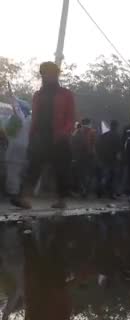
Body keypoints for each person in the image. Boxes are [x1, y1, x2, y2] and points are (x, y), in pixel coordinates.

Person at [12, 62, 75, 210]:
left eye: (51, 73)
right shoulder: (37, 95)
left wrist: (64, 133)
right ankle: (25, 198)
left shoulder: (66, 94)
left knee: (61, 170)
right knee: (33, 168)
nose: (47, 76)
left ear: (56, 74)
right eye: (44, 73)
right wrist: (32, 135)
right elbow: (35, 118)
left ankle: (61, 200)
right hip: (40, 137)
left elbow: (70, 117)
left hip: (59, 138)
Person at [96, 120, 122, 199]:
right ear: (116, 127)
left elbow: (98, 146)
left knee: (105, 176)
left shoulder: (103, 135)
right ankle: (111, 194)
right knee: (113, 177)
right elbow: (119, 148)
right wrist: (119, 156)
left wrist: (99, 156)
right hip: (113, 159)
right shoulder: (117, 135)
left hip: (103, 158)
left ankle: (99, 191)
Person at [72, 118, 97, 198]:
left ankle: (83, 190)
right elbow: (95, 144)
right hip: (90, 155)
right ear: (89, 123)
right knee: (88, 174)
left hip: (80, 155)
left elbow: (73, 142)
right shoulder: (93, 131)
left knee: (81, 174)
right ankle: (86, 190)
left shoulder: (78, 131)